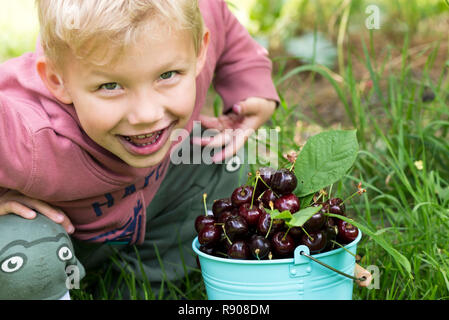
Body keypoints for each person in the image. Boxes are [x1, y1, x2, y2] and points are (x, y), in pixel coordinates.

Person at [0, 0, 279, 299]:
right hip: (55, 235)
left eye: (167, 75)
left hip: (142, 207)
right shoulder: (27, 135)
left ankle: (138, 284)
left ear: (199, 51)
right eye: (110, 86)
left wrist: (249, 84)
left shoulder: (178, 33)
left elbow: (218, 16)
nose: (146, 114)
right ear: (58, 80)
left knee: (221, 156)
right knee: (23, 257)